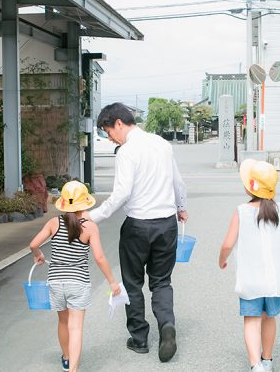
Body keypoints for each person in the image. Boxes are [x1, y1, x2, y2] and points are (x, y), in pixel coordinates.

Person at [89, 102, 188, 363]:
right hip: (167, 224)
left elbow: (122, 193)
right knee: (161, 281)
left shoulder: (127, 151)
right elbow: (178, 181)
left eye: (108, 131)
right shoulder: (163, 144)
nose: (109, 137)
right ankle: (167, 326)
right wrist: (181, 207)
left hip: (138, 225)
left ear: (119, 123)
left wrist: (94, 216)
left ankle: (140, 339)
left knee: (132, 282)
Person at [30, 180, 121, 372]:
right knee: (76, 327)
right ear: (84, 202)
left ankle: (66, 357)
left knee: (63, 322)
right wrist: (112, 282)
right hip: (78, 282)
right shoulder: (89, 227)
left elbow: (33, 244)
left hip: (56, 281)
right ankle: (73, 369)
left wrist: (38, 255)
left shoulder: (54, 223)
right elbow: (99, 257)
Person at [219, 160, 280, 372]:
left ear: (250, 187)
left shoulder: (241, 211)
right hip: (275, 280)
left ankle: (256, 366)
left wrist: (222, 260)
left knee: (252, 319)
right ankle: (267, 360)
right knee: (269, 318)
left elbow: (227, 244)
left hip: (251, 279)